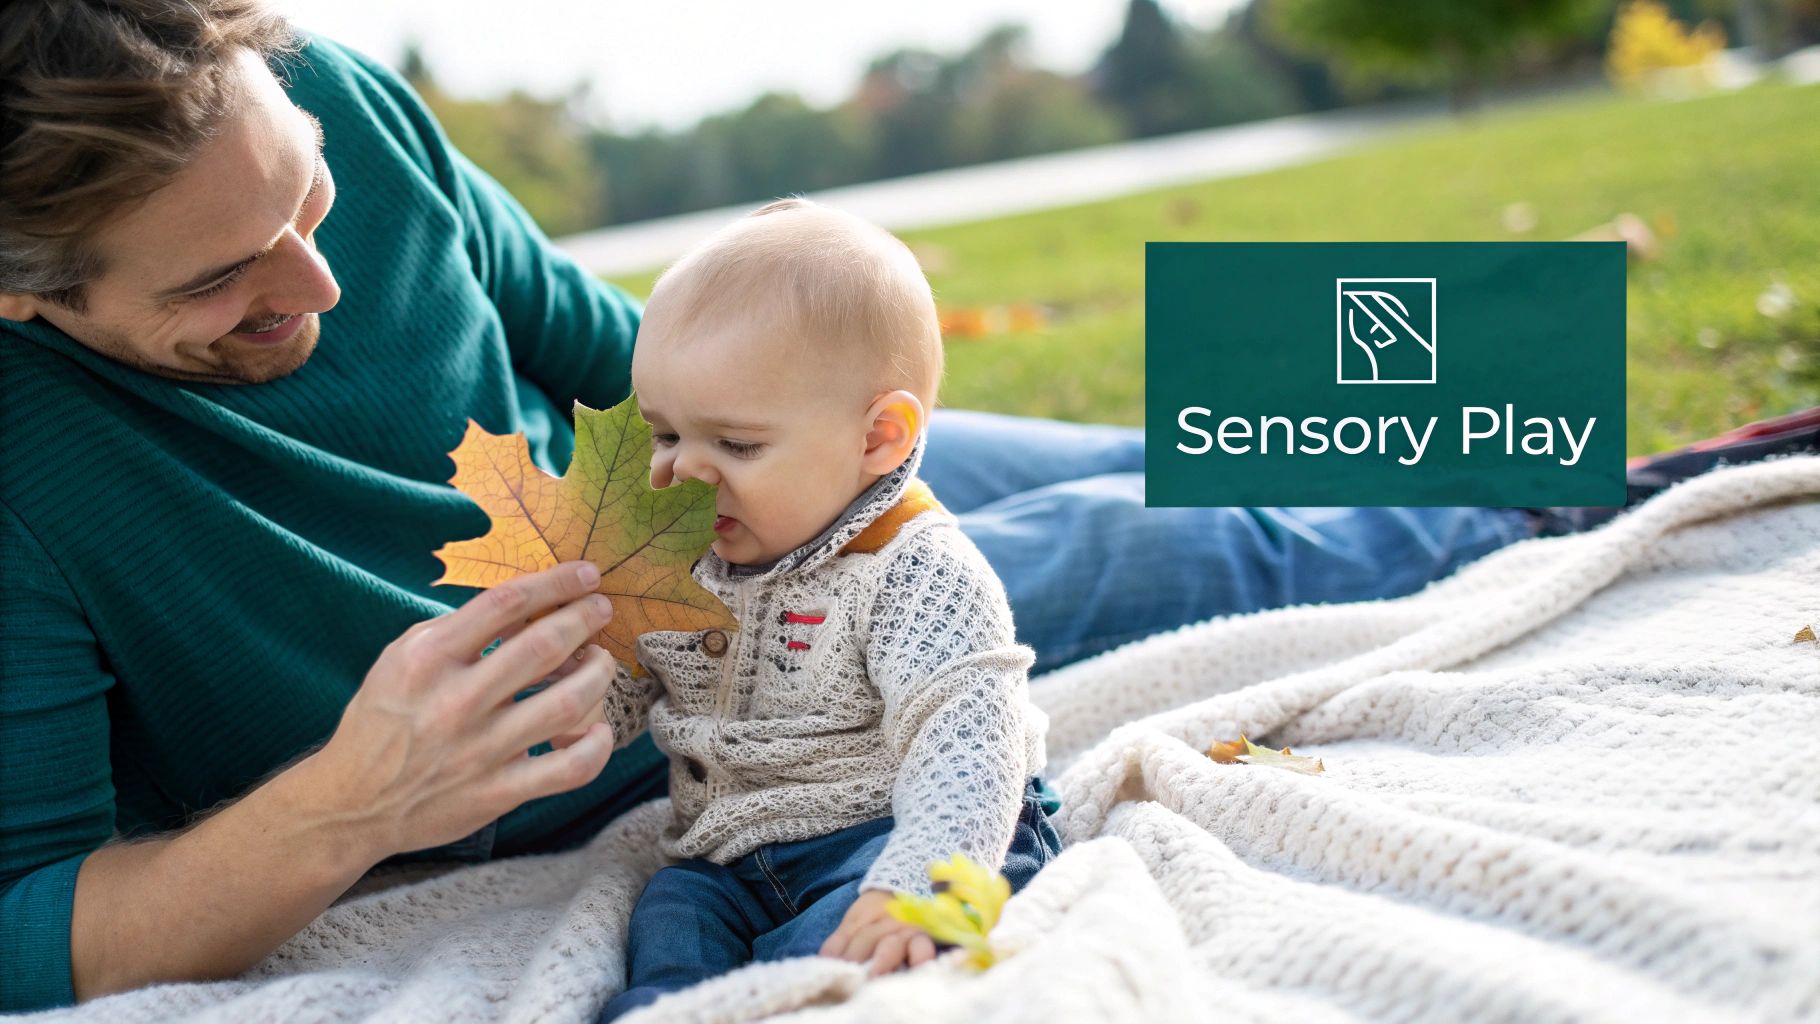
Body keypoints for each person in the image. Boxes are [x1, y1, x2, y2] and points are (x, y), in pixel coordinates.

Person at [28, 1, 1799, 1013]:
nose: (321, 286)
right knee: (1136, 539)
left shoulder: (350, 98)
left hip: (712, 511)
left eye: (312, 200)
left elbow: (595, 343)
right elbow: (28, 912)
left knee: (1157, 422)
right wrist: (345, 810)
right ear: (28, 291)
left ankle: (1563, 405)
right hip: (716, 697)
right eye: (227, 288)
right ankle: (1655, 479)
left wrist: (824, 444)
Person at [581, 198, 1057, 1019]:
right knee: (670, 916)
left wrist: (920, 880)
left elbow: (970, 742)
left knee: (864, 944)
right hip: (725, 858)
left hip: (895, 831)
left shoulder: (917, 572)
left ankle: (801, 991)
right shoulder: (674, 558)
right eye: (664, 436)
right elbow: (622, 694)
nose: (683, 473)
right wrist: (570, 683)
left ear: (878, 438)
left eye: (735, 445)